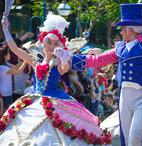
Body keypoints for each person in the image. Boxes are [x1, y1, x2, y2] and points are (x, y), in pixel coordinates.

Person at [55, 3, 142, 146]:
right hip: (125, 96)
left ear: (130, 30)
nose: (120, 32)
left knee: (136, 136)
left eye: (122, 29)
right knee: (128, 137)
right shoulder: (120, 48)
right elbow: (98, 60)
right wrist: (70, 58)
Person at [0, 13, 111, 145]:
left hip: (55, 100)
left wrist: (64, 58)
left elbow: (64, 68)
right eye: (48, 42)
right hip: (34, 100)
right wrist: (6, 30)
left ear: (60, 45)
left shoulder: (57, 63)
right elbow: (14, 48)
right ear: (43, 43)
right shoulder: (34, 60)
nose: (51, 45)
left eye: (55, 43)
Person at [0, 46, 26, 111]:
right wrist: (26, 61)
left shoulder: (5, 65)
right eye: (8, 53)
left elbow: (16, 67)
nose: (9, 54)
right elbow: (18, 71)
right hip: (5, 93)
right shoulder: (3, 68)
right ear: (5, 56)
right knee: (8, 111)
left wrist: (21, 60)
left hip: (6, 91)